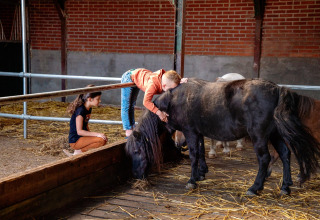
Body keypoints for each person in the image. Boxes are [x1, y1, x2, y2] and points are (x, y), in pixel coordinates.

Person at [121, 68, 186, 137]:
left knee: (132, 105)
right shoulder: (153, 85)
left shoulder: (165, 79)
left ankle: (132, 126)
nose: (171, 91)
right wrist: (159, 113)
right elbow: (146, 102)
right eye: (170, 89)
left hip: (139, 75)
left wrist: (179, 81)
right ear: (164, 86)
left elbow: (171, 77)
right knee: (126, 105)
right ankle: (128, 129)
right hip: (129, 77)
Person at [64, 84, 107, 156]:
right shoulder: (80, 111)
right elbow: (79, 131)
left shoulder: (88, 108)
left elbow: (86, 124)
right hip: (75, 141)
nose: (100, 101)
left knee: (103, 139)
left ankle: (78, 152)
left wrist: (93, 136)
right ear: (90, 99)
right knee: (101, 140)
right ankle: (78, 152)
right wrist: (97, 134)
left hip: (82, 138)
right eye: (98, 99)